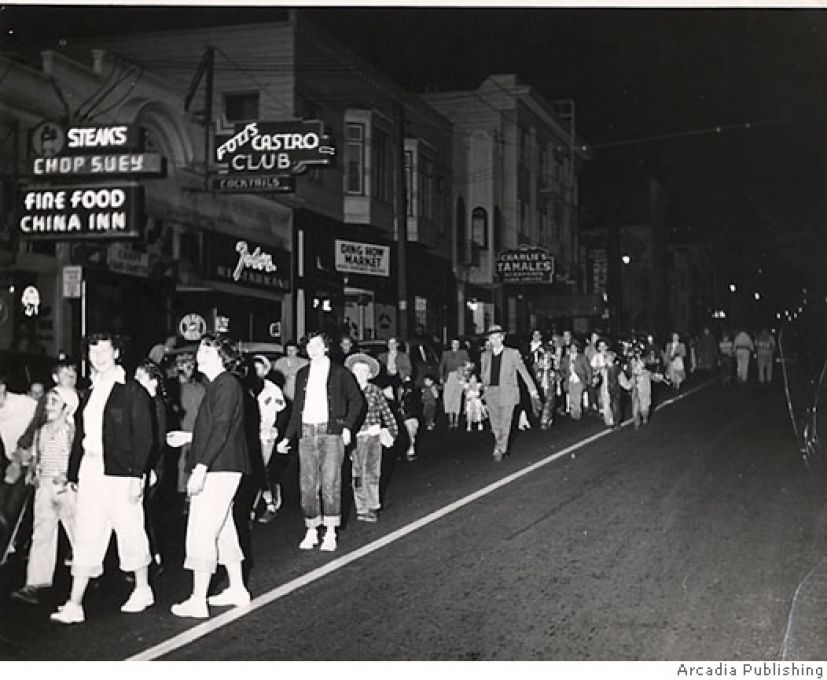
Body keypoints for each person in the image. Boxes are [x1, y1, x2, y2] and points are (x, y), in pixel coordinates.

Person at [51, 333, 154, 624]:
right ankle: (74, 603)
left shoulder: (132, 390)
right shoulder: (91, 391)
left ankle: (143, 588)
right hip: (91, 470)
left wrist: (137, 477)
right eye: (93, 352)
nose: (98, 358)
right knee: (86, 534)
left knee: (130, 529)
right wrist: (74, 474)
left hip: (121, 473)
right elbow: (82, 436)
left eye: (104, 352)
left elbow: (144, 437)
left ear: (117, 353)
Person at [166, 334, 252, 619]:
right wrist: (189, 436)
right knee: (224, 529)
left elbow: (222, 428)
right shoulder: (217, 385)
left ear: (220, 355)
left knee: (201, 530)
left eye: (205, 349)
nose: (199, 354)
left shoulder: (226, 383)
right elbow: (219, 428)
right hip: (223, 465)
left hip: (218, 468)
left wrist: (200, 468)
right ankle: (237, 588)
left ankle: (197, 599)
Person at [276, 332, 366, 553]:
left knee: (331, 483)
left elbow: (357, 400)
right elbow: (298, 407)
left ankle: (331, 531)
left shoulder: (340, 373)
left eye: (317, 345)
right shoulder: (302, 374)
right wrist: (286, 437)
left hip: (331, 433)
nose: (312, 349)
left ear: (326, 347)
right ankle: (311, 529)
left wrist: (346, 427)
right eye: (309, 345)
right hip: (306, 433)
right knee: (307, 485)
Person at [10, 386, 79, 605]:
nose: (48, 405)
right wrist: (34, 472)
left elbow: (75, 456)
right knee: (41, 534)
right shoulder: (42, 430)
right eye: (48, 401)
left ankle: (88, 573)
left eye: (54, 402)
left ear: (67, 408)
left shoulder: (70, 431)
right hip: (45, 487)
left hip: (64, 489)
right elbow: (36, 455)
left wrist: (68, 475)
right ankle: (36, 583)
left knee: (77, 532)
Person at [345, 353, 397, 523]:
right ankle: (361, 507)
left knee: (372, 472)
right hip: (354, 438)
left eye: (364, 371)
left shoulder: (375, 391)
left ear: (369, 375)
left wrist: (391, 432)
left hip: (373, 436)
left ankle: (373, 506)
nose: (360, 374)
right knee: (357, 474)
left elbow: (386, 412)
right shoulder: (347, 392)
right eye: (357, 370)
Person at [479, 325, 539, 462]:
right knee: (495, 423)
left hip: (507, 392)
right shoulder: (484, 355)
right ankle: (499, 443)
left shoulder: (512, 353)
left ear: (502, 338)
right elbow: (483, 374)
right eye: (491, 338)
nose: (494, 340)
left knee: (506, 421)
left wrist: (533, 389)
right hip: (491, 392)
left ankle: (500, 448)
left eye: (497, 337)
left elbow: (523, 371)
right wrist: (481, 389)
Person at [134, 358, 168, 572]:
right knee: (142, 511)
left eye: (140, 377)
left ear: (153, 380)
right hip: (146, 465)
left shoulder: (155, 405)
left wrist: (153, 467)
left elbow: (158, 439)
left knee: (142, 512)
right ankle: (151, 554)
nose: (136, 381)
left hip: (152, 466)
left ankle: (151, 557)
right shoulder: (144, 402)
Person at [250, 354, 286, 523]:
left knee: (260, 469)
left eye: (259, 368)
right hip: (250, 433)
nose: (255, 372)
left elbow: (282, 412)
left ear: (265, 370)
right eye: (253, 368)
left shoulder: (272, 389)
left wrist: (276, 430)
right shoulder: (246, 387)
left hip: (266, 435)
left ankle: (270, 505)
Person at [167, 351, 205, 498]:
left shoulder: (200, 389)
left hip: (193, 435)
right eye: (186, 365)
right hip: (176, 435)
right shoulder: (171, 388)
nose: (191, 368)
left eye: (192, 365)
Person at [439, 338, 470, 429]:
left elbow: (468, 365)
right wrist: (441, 377)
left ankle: (456, 419)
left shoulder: (463, 353)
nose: (455, 345)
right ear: (451, 344)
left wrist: (465, 376)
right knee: (448, 397)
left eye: (457, 343)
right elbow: (442, 366)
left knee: (457, 397)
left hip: (459, 377)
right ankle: (450, 419)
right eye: (453, 343)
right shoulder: (446, 354)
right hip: (448, 378)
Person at [560, 341, 592, 421]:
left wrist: (588, 380)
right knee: (571, 396)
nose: (573, 349)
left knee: (577, 397)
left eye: (574, 347)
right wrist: (565, 376)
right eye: (571, 348)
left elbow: (588, 369)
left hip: (579, 380)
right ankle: (573, 411)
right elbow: (562, 369)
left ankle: (577, 413)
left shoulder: (582, 357)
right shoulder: (565, 359)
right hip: (570, 380)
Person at [619, 355, 653, 429]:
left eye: (638, 366)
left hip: (644, 395)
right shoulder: (634, 377)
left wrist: (660, 376)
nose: (636, 368)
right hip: (636, 395)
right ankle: (637, 423)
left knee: (644, 410)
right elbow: (628, 386)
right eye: (635, 367)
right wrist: (621, 377)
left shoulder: (647, 373)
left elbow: (655, 377)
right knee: (635, 411)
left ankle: (645, 417)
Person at [398, 377, 422, 461]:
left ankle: (409, 452)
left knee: (409, 436)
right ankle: (410, 451)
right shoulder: (415, 395)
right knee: (411, 435)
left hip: (408, 418)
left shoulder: (406, 397)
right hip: (413, 417)